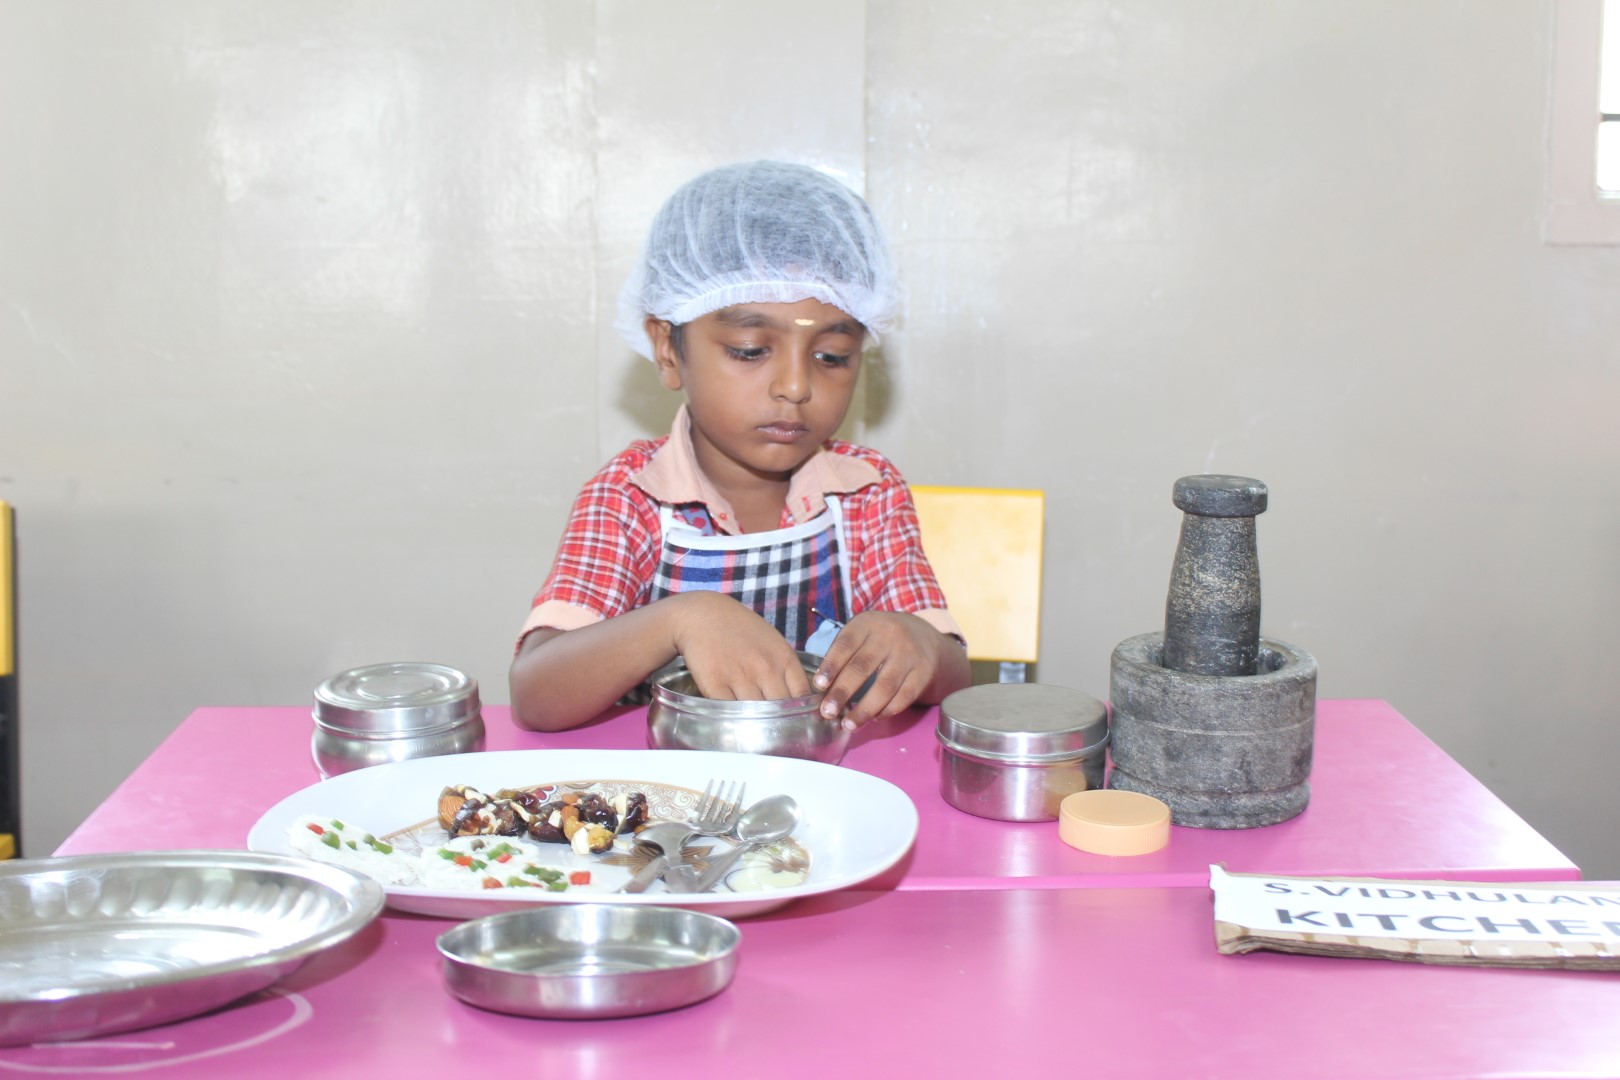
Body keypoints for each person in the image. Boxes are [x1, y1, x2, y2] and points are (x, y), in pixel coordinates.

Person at [509, 160, 970, 733]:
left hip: (829, 790)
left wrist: (920, 642)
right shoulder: (630, 497)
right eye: (751, 349)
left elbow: (954, 675)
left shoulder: (866, 490)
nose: (797, 387)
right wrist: (680, 619)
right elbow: (535, 692)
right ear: (668, 349)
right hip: (669, 801)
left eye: (832, 356)